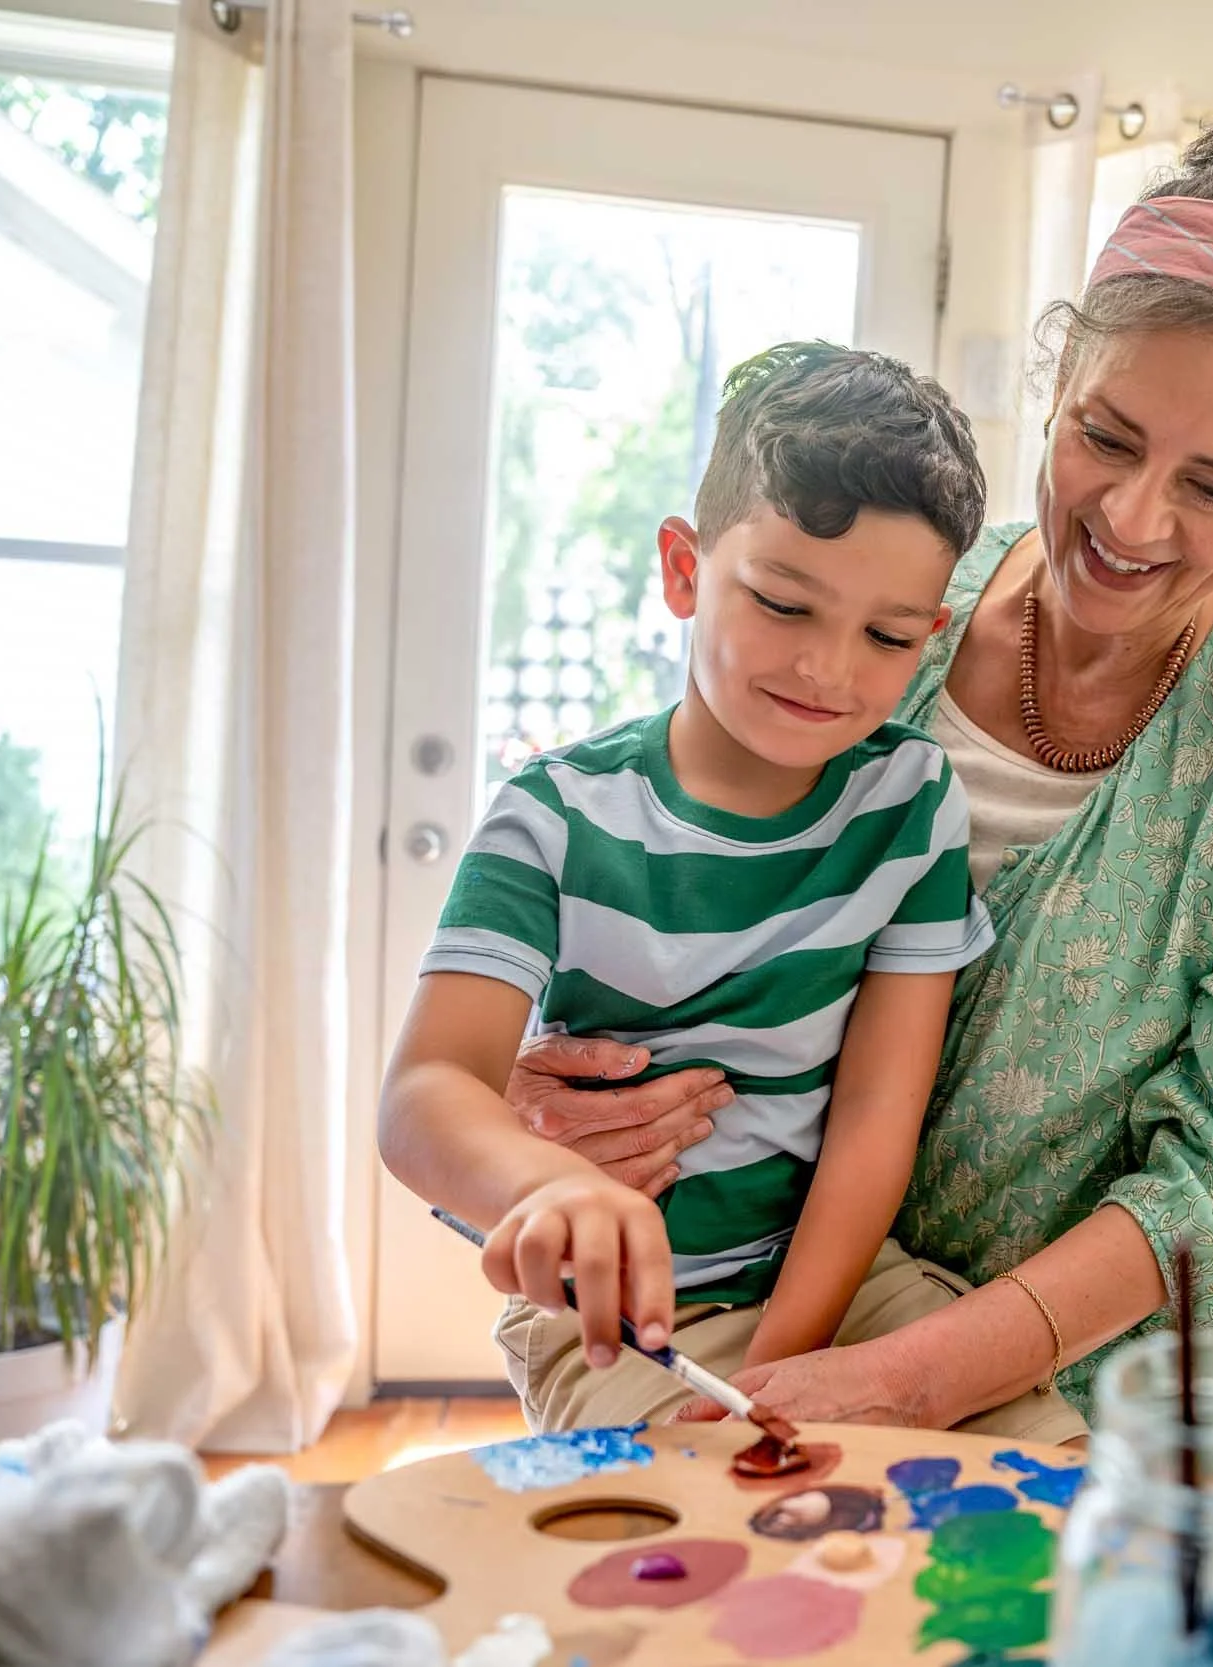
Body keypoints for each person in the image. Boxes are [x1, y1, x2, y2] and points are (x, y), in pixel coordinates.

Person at [496, 109, 1213, 1438]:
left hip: (1043, 1391)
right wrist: (533, 1089)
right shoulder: (889, 605)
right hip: (710, 1298)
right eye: (1104, 436)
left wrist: (917, 1372)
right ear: (1057, 378)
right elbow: (677, 863)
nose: (1134, 520)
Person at [378, 342, 1047, 1424]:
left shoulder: (911, 801)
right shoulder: (553, 815)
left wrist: (786, 1364)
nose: (826, 668)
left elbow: (880, 1112)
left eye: (881, 635)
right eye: (784, 606)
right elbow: (422, 1095)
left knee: (1051, 1480)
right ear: (685, 570)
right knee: (696, 1568)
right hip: (624, 1319)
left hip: (843, 1288)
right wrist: (550, 1185)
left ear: (927, 638)